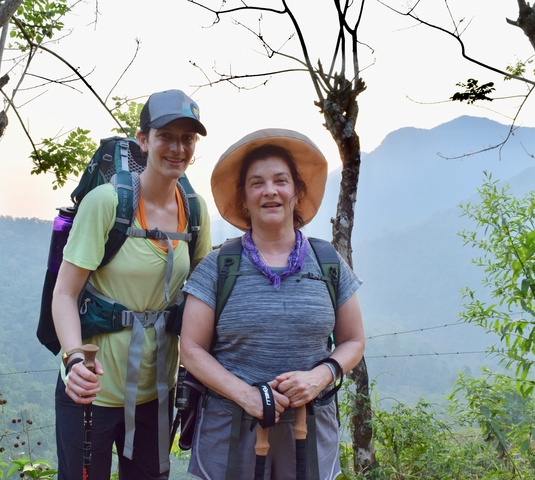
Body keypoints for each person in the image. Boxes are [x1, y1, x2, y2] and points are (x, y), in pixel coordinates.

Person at [180, 128, 365, 480]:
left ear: (297, 192)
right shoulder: (220, 266)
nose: (270, 191)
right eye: (256, 183)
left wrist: (319, 376)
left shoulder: (327, 261)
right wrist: (247, 395)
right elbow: (190, 349)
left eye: (281, 181)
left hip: (309, 428)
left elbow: (354, 341)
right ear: (244, 198)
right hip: (230, 429)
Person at [52, 89, 212, 480]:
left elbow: (204, 298)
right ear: (143, 140)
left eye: (187, 139)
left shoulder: (195, 211)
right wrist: (74, 360)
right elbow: (64, 294)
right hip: (91, 392)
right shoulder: (107, 203)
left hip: (155, 395)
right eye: (166, 136)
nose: (178, 148)